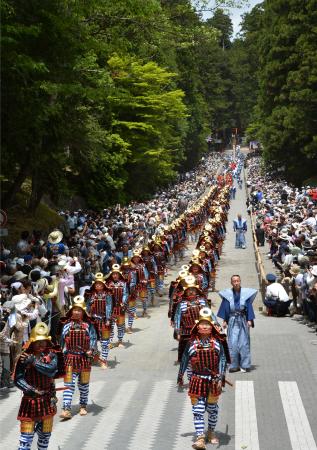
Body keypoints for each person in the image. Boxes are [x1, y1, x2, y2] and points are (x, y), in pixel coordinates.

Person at [177, 307, 230, 449]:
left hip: (213, 381)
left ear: (212, 326)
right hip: (197, 380)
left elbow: (223, 360)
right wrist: (180, 376)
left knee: (212, 409)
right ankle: (200, 437)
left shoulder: (218, 343)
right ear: (197, 326)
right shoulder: (191, 343)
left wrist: (221, 377)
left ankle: (211, 432)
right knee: (198, 410)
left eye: (207, 324)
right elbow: (184, 360)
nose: (205, 326)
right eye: (202, 324)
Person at [13, 323, 59, 450]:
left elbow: (51, 370)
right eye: (38, 341)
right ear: (32, 342)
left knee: (45, 435)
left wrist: (34, 362)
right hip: (29, 401)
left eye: (43, 341)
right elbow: (18, 379)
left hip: (47, 400)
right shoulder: (24, 357)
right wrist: (30, 390)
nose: (41, 344)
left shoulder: (51, 355)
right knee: (25, 439)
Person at [59, 296, 97, 420]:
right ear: (71, 311)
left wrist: (91, 350)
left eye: (79, 310)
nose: (76, 312)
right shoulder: (66, 325)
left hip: (84, 359)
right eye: (74, 310)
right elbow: (61, 343)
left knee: (84, 385)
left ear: (83, 312)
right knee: (68, 385)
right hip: (70, 358)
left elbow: (93, 338)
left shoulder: (88, 325)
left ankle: (83, 405)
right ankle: (66, 409)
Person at [217, 275, 257, 372]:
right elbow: (225, 307)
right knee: (233, 343)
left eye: (238, 281)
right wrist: (225, 320)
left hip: (243, 319)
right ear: (231, 283)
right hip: (232, 319)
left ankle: (245, 365)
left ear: (240, 281)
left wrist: (249, 319)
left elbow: (249, 307)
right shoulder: (227, 294)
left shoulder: (246, 293)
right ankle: (234, 365)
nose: (236, 283)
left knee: (244, 343)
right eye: (234, 281)